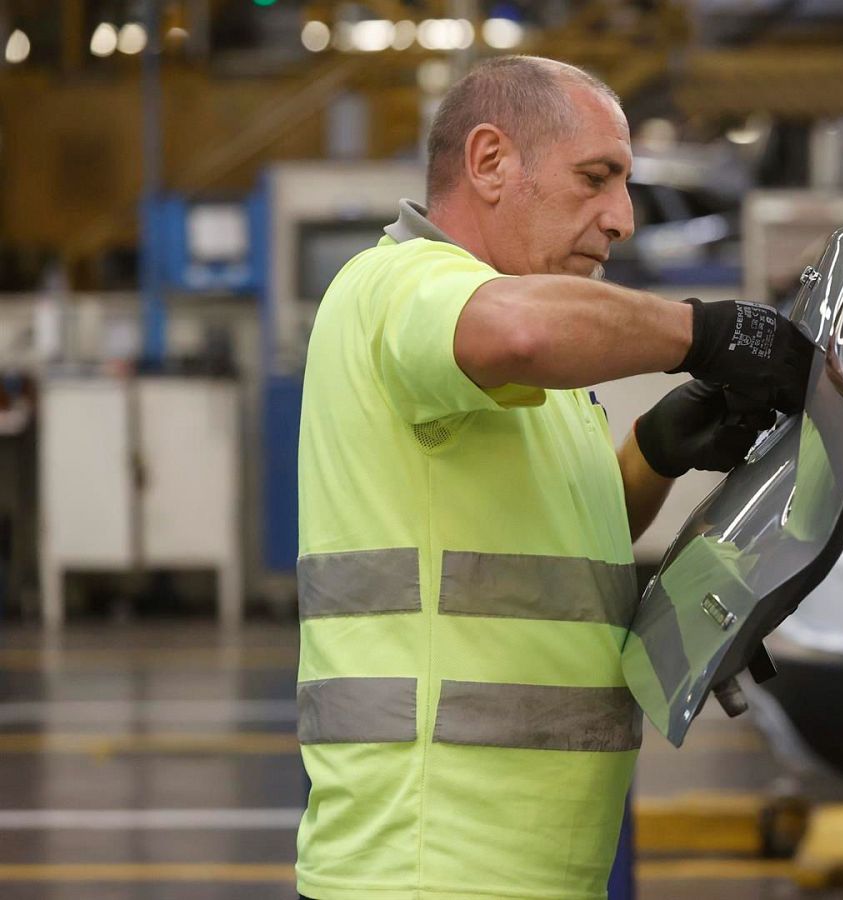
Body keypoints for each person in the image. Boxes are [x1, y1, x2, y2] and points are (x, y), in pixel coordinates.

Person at [293, 55, 810, 900]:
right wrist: (708, 333)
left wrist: (656, 450)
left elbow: (573, 540)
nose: (624, 219)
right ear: (490, 162)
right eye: (597, 178)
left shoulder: (529, 365)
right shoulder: (398, 286)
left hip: (532, 868)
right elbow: (522, 333)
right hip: (427, 865)